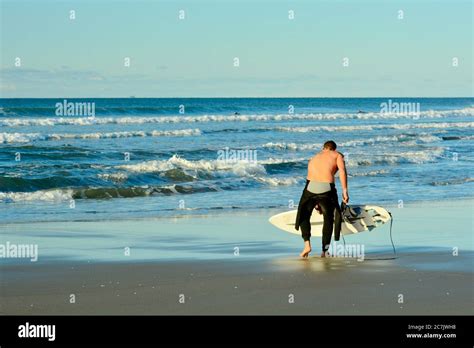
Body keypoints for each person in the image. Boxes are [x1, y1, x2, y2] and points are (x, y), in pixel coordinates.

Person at [294, 140, 349, 258]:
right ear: (334, 149)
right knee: (328, 218)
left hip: (310, 187)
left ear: (323, 148)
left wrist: (316, 202)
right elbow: (342, 172)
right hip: (327, 188)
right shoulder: (337, 155)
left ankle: (306, 245)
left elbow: (311, 179)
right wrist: (345, 191)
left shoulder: (314, 157)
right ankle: (325, 251)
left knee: (303, 214)